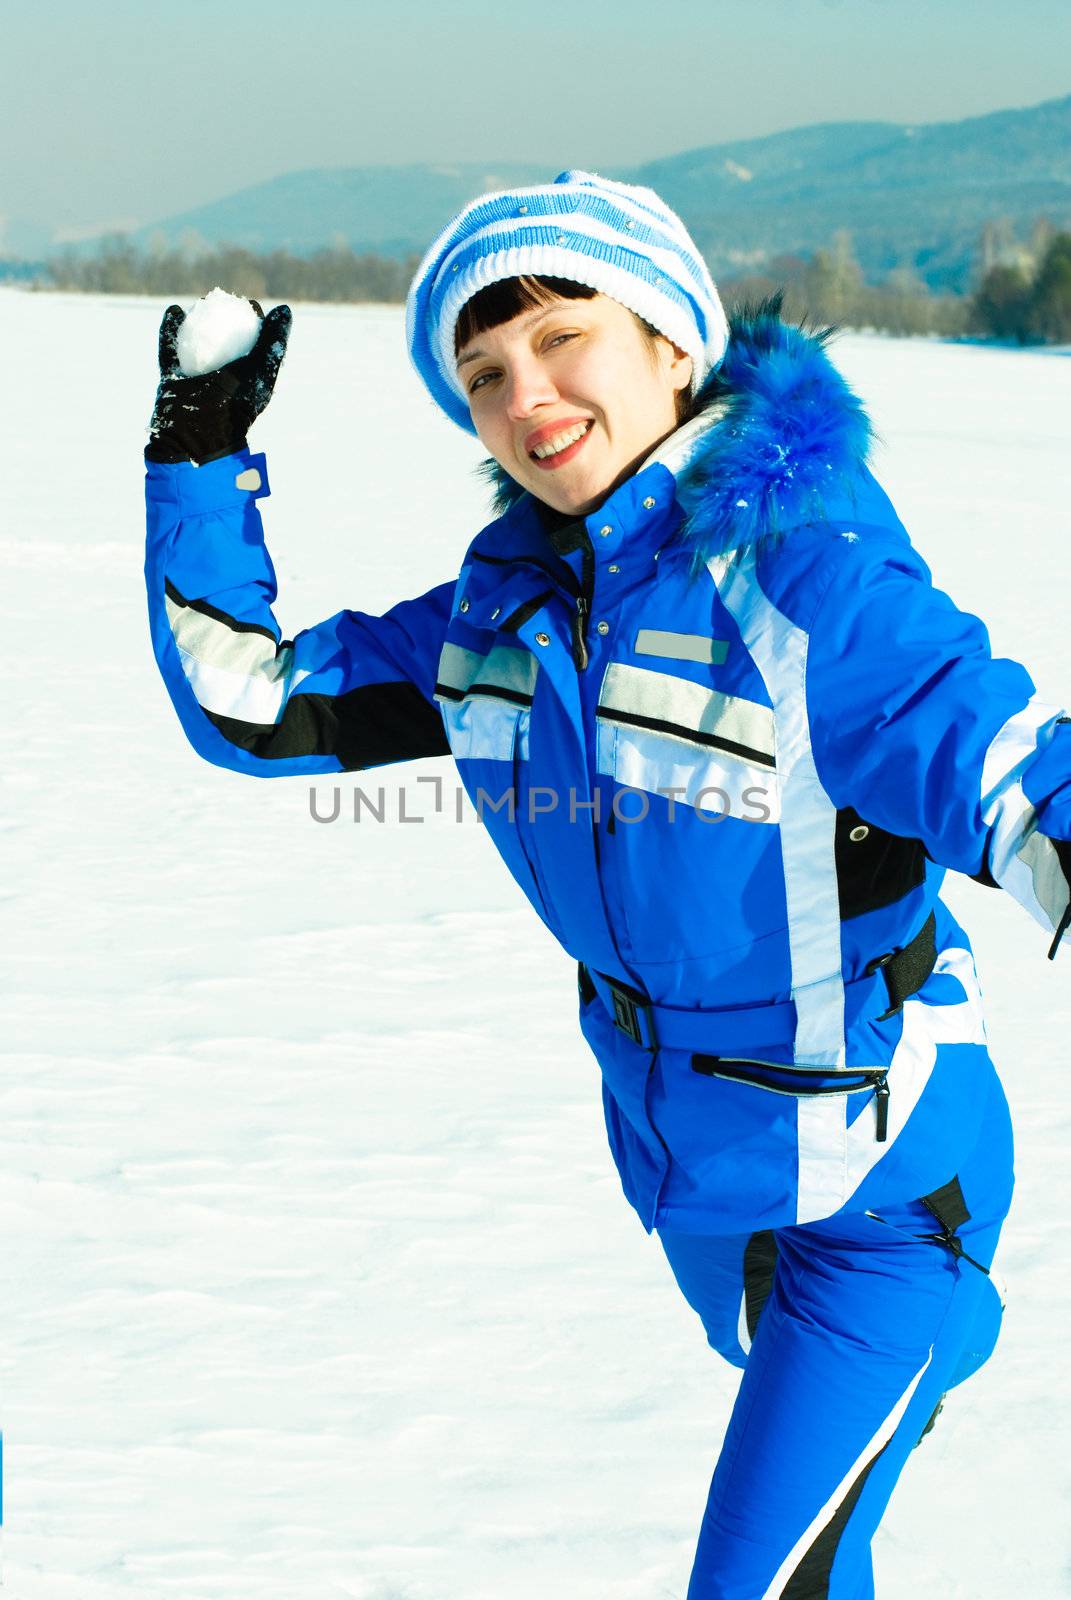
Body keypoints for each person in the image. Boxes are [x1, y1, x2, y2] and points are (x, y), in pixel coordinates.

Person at [143, 169, 1070, 1598]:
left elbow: (1003, 761)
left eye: (566, 336)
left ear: (673, 342)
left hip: (880, 1193)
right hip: (699, 1189)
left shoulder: (805, 583)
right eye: (486, 371)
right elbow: (251, 701)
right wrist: (199, 449)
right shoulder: (493, 627)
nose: (529, 396)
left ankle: (936, 1324)